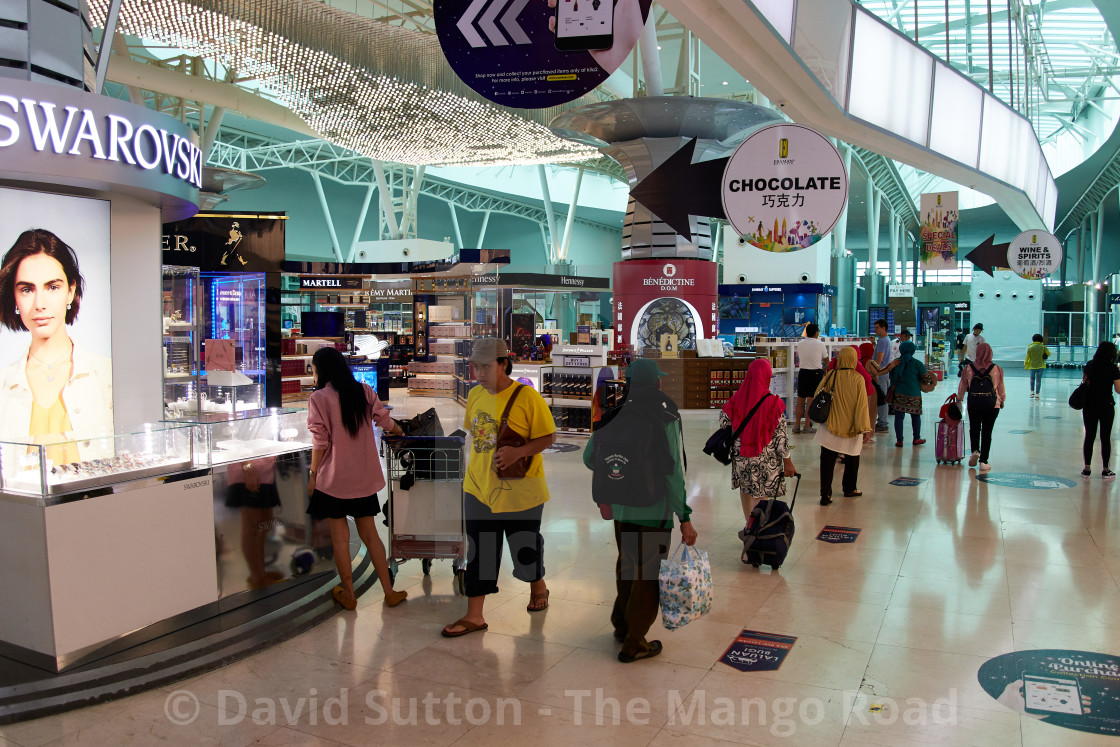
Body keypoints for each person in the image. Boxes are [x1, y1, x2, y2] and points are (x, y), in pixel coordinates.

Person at [583, 358, 696, 663]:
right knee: (647, 575)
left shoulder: (615, 412)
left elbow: (590, 457)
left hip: (622, 508)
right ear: (656, 383)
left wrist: (621, 471)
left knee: (628, 567)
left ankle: (622, 625)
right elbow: (674, 473)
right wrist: (684, 517)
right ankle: (635, 643)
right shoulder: (667, 416)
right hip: (654, 510)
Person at [443, 338, 556, 638]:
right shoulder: (476, 394)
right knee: (480, 551)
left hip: (522, 492)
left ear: (503, 364)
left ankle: (538, 585)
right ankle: (474, 615)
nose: (479, 373)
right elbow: (477, 438)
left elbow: (548, 437)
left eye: (485, 366)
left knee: (525, 550)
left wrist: (519, 452)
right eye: (475, 367)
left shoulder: (528, 398)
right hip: (479, 489)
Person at [306, 346, 408, 610]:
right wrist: (400, 431)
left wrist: (313, 474)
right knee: (370, 535)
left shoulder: (318, 398)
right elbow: (385, 420)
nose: (313, 376)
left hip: (333, 480)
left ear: (323, 371)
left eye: (314, 371)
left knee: (340, 539)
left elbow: (320, 441)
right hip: (363, 478)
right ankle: (389, 591)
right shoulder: (363, 391)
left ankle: (349, 594)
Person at [0, 228, 114, 463]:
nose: (39, 303)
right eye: (27, 289)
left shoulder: (108, 376)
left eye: (52, 287)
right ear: (14, 298)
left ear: (71, 291)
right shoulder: (3, 384)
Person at [719, 358, 797, 525]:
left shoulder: (737, 398)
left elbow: (724, 422)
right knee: (761, 494)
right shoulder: (774, 403)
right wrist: (788, 462)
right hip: (764, 457)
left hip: (741, 457)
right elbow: (780, 438)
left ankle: (749, 524)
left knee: (746, 489)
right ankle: (757, 531)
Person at [815, 347, 870, 506]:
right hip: (851, 427)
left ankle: (825, 495)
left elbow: (818, 392)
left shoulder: (831, 374)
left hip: (830, 426)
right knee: (853, 458)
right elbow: (862, 405)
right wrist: (864, 428)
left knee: (826, 462)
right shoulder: (858, 378)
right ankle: (849, 488)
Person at [957, 342, 1005, 472]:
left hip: (974, 402)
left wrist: (959, 399)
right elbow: (1000, 388)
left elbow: (962, 385)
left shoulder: (969, 367)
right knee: (987, 432)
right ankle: (984, 461)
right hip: (991, 403)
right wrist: (1002, 400)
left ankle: (975, 451)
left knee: (974, 428)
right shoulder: (997, 368)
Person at [1080, 341, 1120, 479]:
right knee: (1105, 437)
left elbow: (1084, 381)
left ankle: (1087, 468)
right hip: (1106, 405)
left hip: (1089, 405)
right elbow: (1118, 389)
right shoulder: (1113, 368)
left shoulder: (1090, 365)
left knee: (1089, 436)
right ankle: (1106, 469)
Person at [885, 340, 928, 447]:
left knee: (899, 417)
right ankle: (916, 438)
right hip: (914, 394)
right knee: (915, 416)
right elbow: (926, 378)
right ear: (913, 351)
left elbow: (891, 376)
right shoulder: (917, 364)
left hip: (899, 394)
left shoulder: (896, 363)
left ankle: (900, 440)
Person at [793, 323, 828, 433]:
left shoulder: (800, 344)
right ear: (816, 332)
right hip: (815, 374)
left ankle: (796, 425)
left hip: (803, 373)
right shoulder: (820, 344)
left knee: (800, 400)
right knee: (810, 401)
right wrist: (823, 370)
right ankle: (807, 426)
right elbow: (826, 361)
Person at [871, 319, 892, 432]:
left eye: (877, 328)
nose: (875, 330)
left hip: (880, 375)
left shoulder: (883, 341)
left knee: (882, 398)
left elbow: (878, 360)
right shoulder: (885, 340)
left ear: (883, 328)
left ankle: (883, 423)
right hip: (883, 374)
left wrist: (873, 371)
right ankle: (882, 421)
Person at [1025, 334, 1050, 399]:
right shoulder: (1043, 347)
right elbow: (1048, 354)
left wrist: (1026, 365)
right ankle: (1037, 394)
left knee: (1032, 379)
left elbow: (1027, 357)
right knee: (1038, 380)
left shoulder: (1030, 347)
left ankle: (1032, 392)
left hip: (1032, 365)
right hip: (1040, 366)